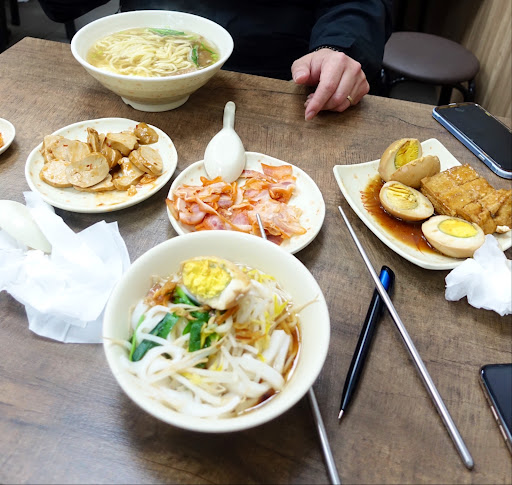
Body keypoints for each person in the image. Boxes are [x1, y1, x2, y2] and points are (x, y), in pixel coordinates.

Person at [39, 0, 393, 120]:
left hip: (274, 89)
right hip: (123, 85)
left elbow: (356, 5)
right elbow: (61, 7)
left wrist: (333, 47)